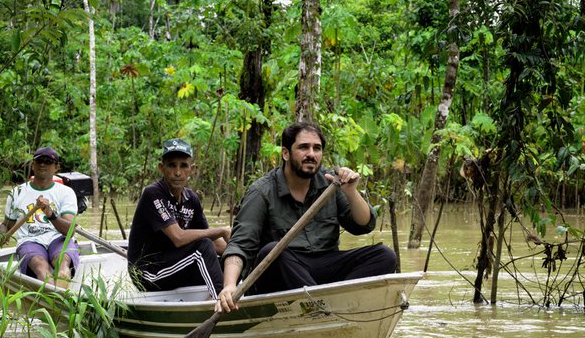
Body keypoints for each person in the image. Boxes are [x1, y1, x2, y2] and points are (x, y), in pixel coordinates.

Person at [216, 121, 397, 313]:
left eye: (316, 148)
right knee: (274, 251)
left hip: (323, 266)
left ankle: (331, 306)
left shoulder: (332, 184)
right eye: (303, 147)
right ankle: (324, 309)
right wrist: (229, 286)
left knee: (385, 255)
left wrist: (351, 191)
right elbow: (239, 245)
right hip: (281, 273)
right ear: (286, 153)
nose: (311, 154)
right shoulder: (262, 191)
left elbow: (363, 225)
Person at [126, 138, 230, 298]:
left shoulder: (191, 199)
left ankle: (239, 295)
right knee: (202, 246)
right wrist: (222, 230)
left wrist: (238, 251)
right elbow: (179, 237)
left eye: (183, 166)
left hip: (176, 265)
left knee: (230, 263)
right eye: (172, 165)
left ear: (192, 169)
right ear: (161, 168)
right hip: (148, 274)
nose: (178, 172)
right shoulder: (153, 193)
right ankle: (222, 303)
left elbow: (215, 243)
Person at [0, 147, 80, 285]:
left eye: (48, 161)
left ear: (57, 167)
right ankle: (52, 290)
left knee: (62, 262)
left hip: (58, 238)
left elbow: (69, 231)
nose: (42, 164)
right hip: (30, 240)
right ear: (33, 165)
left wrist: (50, 214)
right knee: (40, 265)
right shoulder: (17, 192)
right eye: (39, 161)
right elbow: (7, 225)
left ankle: (62, 281)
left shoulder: (66, 192)